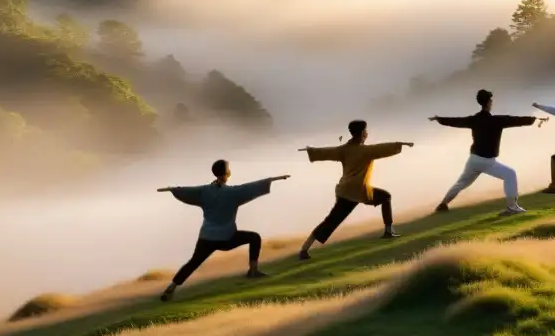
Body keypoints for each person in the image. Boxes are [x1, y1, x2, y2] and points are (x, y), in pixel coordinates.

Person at [157, 159, 289, 302]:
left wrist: (172, 189)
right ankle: (253, 271)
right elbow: (252, 187)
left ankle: (171, 287)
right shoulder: (233, 193)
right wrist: (273, 180)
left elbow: (185, 191)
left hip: (206, 237)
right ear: (227, 173)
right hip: (227, 238)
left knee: (193, 262)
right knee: (254, 238)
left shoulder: (204, 191)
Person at [298, 120, 413, 261]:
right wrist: (400, 144)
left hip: (348, 190)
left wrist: (311, 150)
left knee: (333, 220)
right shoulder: (366, 151)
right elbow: (383, 148)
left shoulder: (344, 149)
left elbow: (326, 152)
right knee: (332, 221)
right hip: (355, 191)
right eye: (366, 131)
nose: (367, 133)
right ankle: (304, 249)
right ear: (362, 133)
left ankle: (304, 248)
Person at [430, 89, 548, 216]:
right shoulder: (497, 120)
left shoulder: (474, 119)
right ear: (489, 103)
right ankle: (512, 207)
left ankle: (443, 204)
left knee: (461, 183)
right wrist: (534, 119)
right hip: (487, 162)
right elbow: (514, 120)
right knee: (510, 174)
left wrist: (439, 119)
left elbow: (456, 121)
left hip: (474, 159)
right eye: (491, 100)